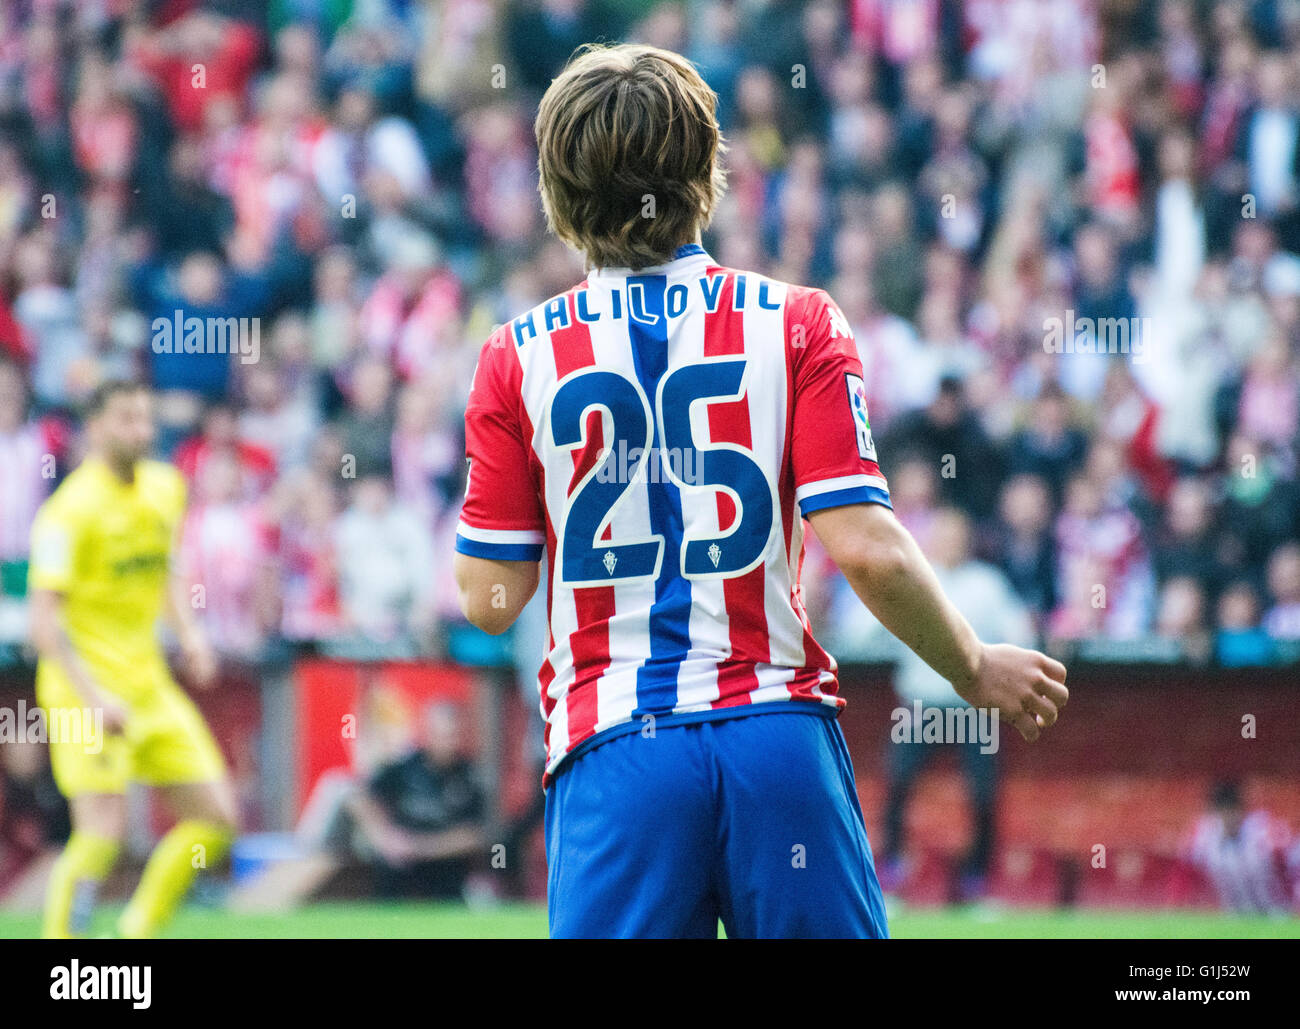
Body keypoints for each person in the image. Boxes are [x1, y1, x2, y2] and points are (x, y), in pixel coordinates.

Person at [452, 43, 1068, 940]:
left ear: (557, 191)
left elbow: (488, 598)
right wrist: (970, 666)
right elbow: (864, 546)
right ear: (708, 171)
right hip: (775, 737)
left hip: (616, 745)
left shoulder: (514, 356)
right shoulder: (800, 321)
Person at [28, 380, 236, 938]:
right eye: (125, 419)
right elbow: (43, 624)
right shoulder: (68, 513)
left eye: (145, 419)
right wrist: (94, 700)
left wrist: (190, 635)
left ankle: (136, 932)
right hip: (83, 691)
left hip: (148, 684)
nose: (140, 431)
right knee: (101, 834)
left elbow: (165, 568)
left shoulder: (166, 488)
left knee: (216, 818)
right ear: (95, 428)